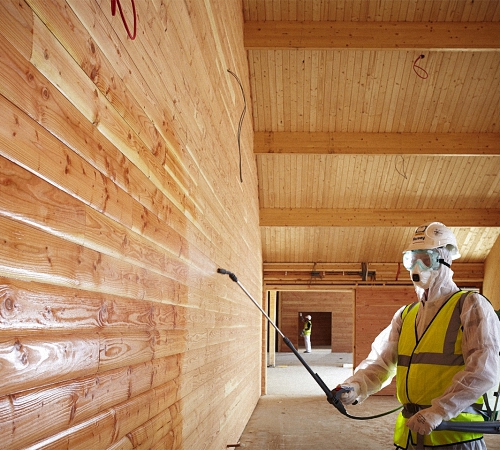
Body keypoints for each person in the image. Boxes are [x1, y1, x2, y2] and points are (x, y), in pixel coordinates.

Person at [336, 222, 500, 450]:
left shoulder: (471, 305)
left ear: (444, 259)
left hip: (454, 436)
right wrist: (354, 387)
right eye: (411, 260)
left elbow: (483, 371)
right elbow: (381, 363)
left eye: (425, 259)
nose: (416, 267)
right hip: (412, 436)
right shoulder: (406, 314)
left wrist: (439, 411)